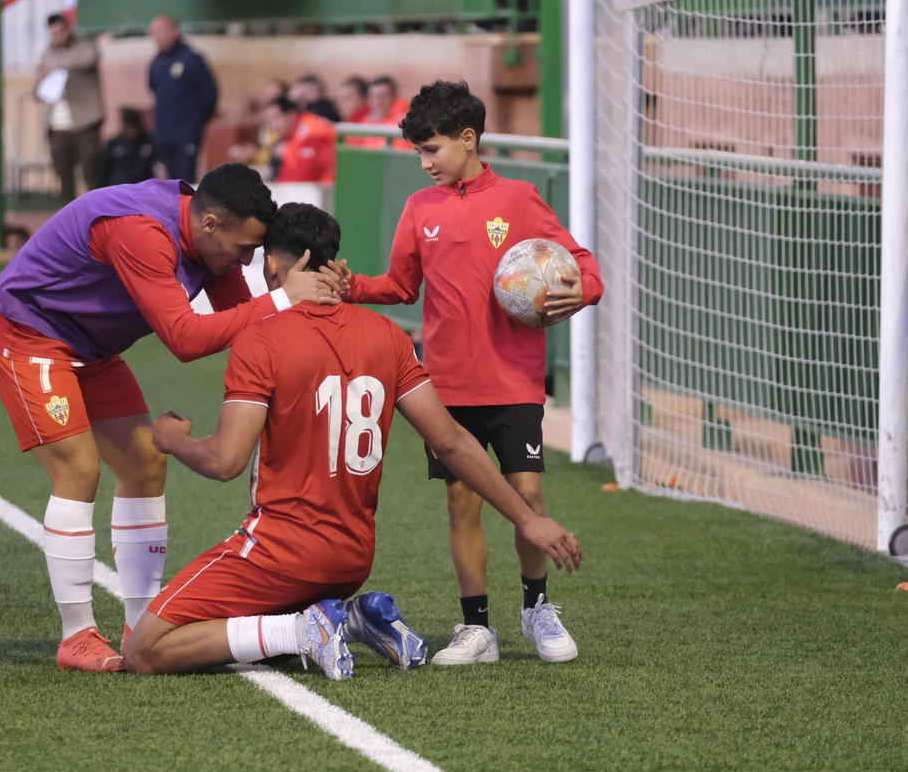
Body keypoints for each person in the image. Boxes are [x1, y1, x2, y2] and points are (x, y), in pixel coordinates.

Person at [123, 204, 582, 678]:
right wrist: (528, 519)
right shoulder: (388, 336)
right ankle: (353, 618)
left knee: (144, 649)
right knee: (235, 630)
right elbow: (451, 443)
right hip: (351, 560)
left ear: (276, 266)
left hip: (280, 553)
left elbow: (224, 461)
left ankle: (306, 631)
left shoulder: (261, 339)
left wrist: (172, 439)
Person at [0, 164, 344, 673]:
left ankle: (137, 626)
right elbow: (186, 338)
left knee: (147, 463)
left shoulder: (211, 234)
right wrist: (283, 297)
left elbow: (251, 320)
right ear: (211, 223)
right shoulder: (140, 231)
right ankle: (76, 636)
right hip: (29, 334)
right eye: (242, 250)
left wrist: (330, 297)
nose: (245, 262)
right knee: (79, 471)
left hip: (92, 347)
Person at [340, 80, 604, 666]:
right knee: (462, 501)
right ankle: (476, 627)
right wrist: (353, 286)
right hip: (448, 384)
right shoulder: (419, 209)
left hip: (513, 377)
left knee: (528, 491)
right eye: (418, 153)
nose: (426, 162)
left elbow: (584, 266)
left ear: (468, 139)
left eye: (432, 149)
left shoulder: (519, 198)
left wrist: (582, 291)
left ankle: (537, 609)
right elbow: (401, 285)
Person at [38, 13, 105, 198]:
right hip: (57, 125)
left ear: (68, 29)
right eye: (53, 33)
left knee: (91, 173)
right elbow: (36, 90)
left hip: (85, 122)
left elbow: (89, 58)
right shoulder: (47, 54)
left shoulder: (84, 47)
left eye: (60, 31)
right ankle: (69, 218)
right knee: (64, 176)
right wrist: (41, 79)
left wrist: (56, 65)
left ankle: (96, 216)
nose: (57, 37)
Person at [148, 15, 217, 181]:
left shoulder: (191, 59)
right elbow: (153, 89)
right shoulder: (156, 63)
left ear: (175, 32)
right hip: (164, 135)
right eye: (154, 32)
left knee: (185, 182)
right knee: (169, 184)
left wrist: (196, 123)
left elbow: (210, 94)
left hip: (187, 134)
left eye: (161, 30)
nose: (157, 36)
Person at [264, 97, 337, 183]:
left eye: (275, 118)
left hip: (328, 189)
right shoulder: (294, 133)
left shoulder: (310, 132)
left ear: (290, 114)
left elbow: (298, 177)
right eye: (269, 121)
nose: (272, 127)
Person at [346, 75, 412, 150]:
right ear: (368, 99)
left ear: (394, 97)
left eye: (384, 96)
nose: (379, 101)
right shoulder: (361, 126)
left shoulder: (404, 122)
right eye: (374, 96)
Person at [95, 108, 157, 187]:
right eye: (128, 128)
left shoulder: (148, 143)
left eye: (133, 127)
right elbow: (102, 169)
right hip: (117, 190)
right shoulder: (114, 143)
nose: (131, 131)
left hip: (141, 190)